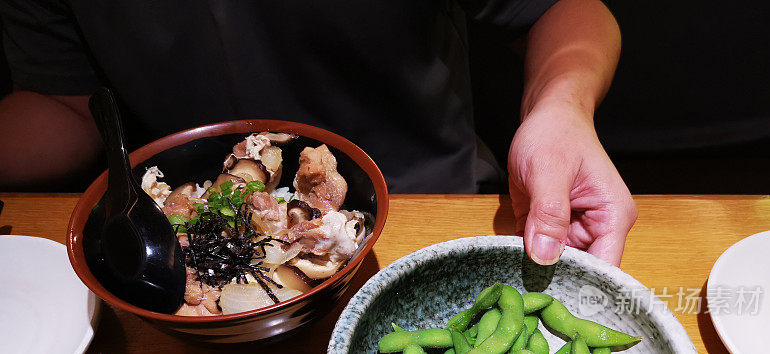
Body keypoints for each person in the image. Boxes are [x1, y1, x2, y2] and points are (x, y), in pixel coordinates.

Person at [0, 0, 635, 266]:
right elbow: (72, 110)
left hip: (434, 211)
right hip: (180, 244)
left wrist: (563, 105)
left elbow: (566, 9)